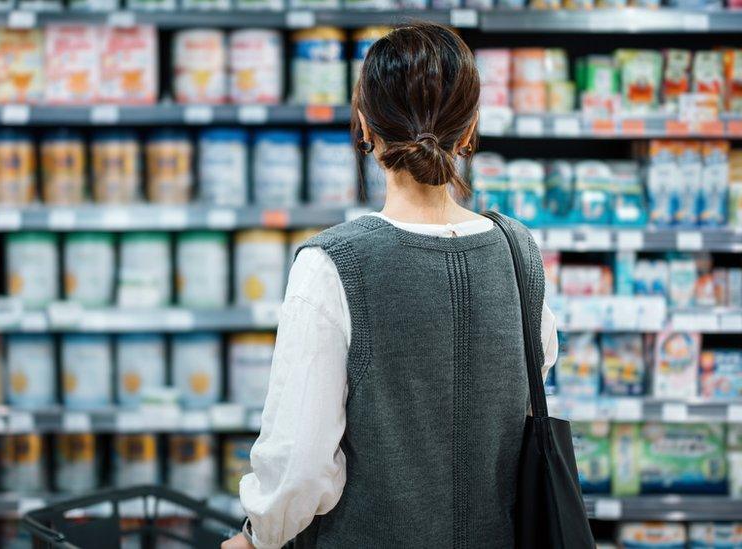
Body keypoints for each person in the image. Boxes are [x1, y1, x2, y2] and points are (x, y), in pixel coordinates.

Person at [222, 21, 559, 549]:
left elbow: (301, 464)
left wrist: (255, 536)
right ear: (469, 132)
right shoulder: (520, 253)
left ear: (364, 128)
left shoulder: (333, 264)